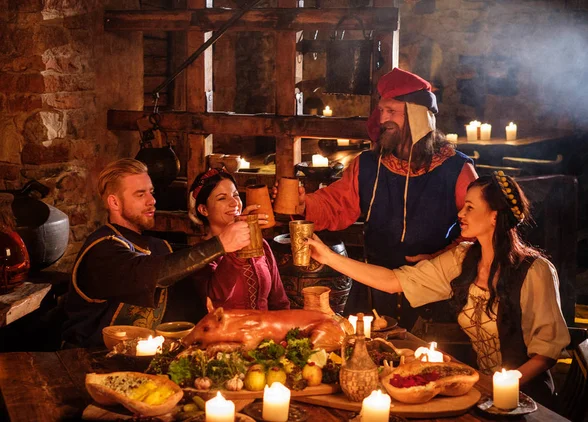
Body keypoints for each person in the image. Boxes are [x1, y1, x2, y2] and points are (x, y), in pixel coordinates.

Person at [306, 172, 570, 406]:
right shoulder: (462, 259)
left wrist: (499, 388)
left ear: (494, 216)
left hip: (528, 400)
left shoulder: (535, 271)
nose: (460, 214)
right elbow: (392, 281)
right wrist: (329, 257)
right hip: (480, 393)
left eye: (469, 207)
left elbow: (546, 354)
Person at [275, 68, 477, 324]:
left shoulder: (456, 169)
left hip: (434, 290)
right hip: (372, 286)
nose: (383, 120)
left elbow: (477, 228)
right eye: (381, 111)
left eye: (392, 112)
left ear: (417, 117)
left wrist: (443, 259)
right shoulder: (369, 165)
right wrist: (306, 204)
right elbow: (337, 204)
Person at [62, 159, 251, 348]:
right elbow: (150, 274)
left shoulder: (158, 247)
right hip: (91, 362)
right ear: (114, 202)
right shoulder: (102, 249)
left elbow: (192, 269)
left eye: (151, 192)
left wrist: (232, 228)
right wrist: (220, 244)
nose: (152, 200)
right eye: (140, 194)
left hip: (142, 362)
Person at [188, 168, 290, 311]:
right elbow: (216, 299)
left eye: (235, 195)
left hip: (265, 332)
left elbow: (279, 303)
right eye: (222, 198)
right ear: (203, 209)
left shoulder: (261, 246)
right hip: (224, 332)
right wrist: (235, 248)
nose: (234, 203)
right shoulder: (199, 255)